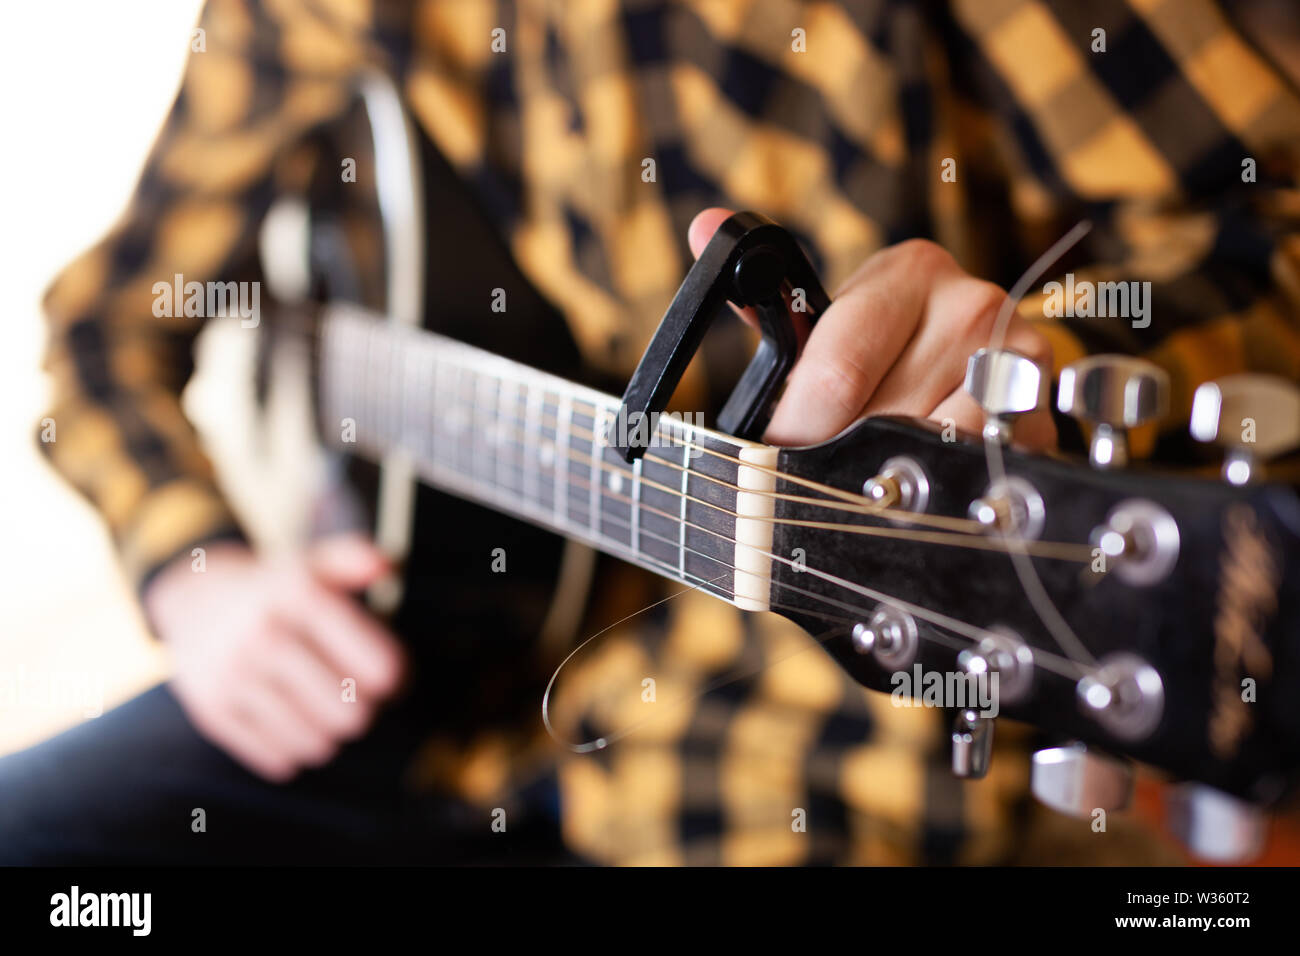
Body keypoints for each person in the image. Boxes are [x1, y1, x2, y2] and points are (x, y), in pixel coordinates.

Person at [3, 0, 1298, 865]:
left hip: (830, 705)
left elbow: (1265, 223)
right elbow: (109, 326)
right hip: (417, 674)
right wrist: (198, 572)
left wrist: (1045, 348)